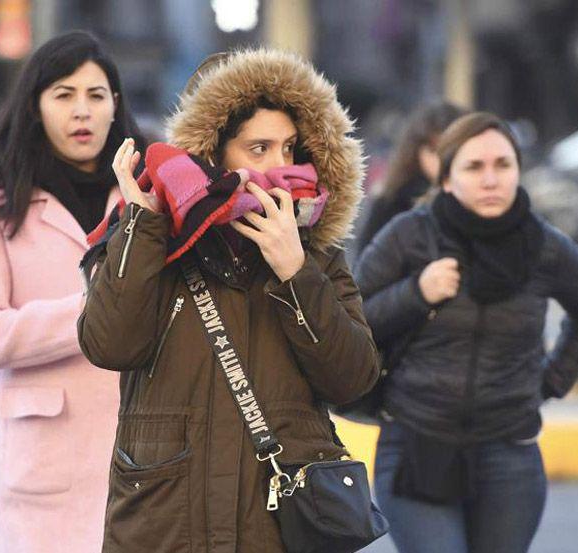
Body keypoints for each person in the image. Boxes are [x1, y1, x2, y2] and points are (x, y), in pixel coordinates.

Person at [77, 49, 380, 553]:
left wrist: (294, 272)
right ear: (212, 154)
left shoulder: (317, 256)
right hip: (166, 525)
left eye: (290, 149)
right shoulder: (152, 238)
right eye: (258, 149)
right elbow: (109, 345)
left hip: (277, 528)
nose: (280, 168)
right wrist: (143, 225)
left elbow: (353, 380)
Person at [355, 112, 578, 553]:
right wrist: (416, 293)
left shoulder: (543, 245)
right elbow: (351, 321)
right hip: (417, 442)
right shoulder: (410, 235)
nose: (491, 179)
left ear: (518, 170)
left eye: (503, 165)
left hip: (508, 450)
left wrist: (551, 381)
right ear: (448, 178)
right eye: (474, 167)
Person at [0, 31, 147, 553]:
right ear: (35, 107)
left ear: (115, 107)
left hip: (149, 460)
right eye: (64, 95)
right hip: (45, 472)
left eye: (96, 95)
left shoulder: (148, 202)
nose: (82, 111)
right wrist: (88, 316)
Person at [353, 100, 466, 258]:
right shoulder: (392, 202)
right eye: (434, 150)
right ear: (416, 152)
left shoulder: (479, 198)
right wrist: (417, 282)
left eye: (450, 150)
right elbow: (365, 271)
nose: (442, 160)